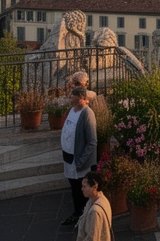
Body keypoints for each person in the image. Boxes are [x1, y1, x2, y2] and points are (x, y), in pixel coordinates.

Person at [61, 87, 99, 226]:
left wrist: (81, 161)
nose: (70, 98)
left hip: (79, 162)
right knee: (74, 189)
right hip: (69, 158)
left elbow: (92, 141)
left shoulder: (87, 114)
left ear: (80, 98)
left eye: (72, 96)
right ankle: (77, 214)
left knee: (82, 190)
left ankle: (84, 217)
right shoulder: (72, 110)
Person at [76, 170, 113, 241]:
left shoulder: (94, 212)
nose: (82, 189)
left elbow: (92, 237)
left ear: (95, 187)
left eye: (84, 186)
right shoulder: (102, 199)